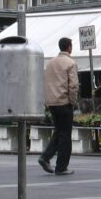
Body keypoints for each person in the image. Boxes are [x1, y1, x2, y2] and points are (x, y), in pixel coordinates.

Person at [39, 37, 79, 176]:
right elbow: (73, 85)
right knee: (65, 136)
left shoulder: (50, 63)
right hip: (64, 102)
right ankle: (61, 166)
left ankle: (45, 157)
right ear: (69, 47)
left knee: (59, 131)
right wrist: (72, 102)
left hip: (52, 103)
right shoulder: (70, 63)